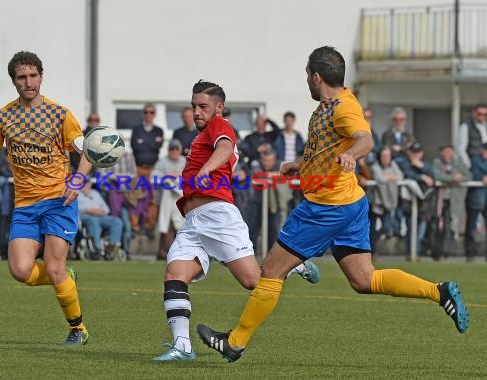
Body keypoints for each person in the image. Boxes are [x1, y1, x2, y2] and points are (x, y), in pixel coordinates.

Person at [197, 46, 469, 363]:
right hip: (350, 203)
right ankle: (440, 292)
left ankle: (235, 342)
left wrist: (353, 154)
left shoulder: (344, 107)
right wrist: (300, 164)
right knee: (364, 280)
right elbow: (328, 145)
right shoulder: (329, 106)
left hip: (326, 207)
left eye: (306, 76)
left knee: (271, 271)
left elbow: (364, 138)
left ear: (316, 77)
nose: (306, 82)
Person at [152, 80, 320, 362]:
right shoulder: (201, 135)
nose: (197, 112)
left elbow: (226, 149)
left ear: (219, 108)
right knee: (174, 275)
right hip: (194, 221)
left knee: (254, 280)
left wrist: (206, 168)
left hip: (218, 216)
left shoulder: (220, 125)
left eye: (203, 106)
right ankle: (182, 346)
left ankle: (293, 265)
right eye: (194, 106)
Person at [0, 51, 92, 345]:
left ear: (41, 77)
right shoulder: (3, 117)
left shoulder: (61, 115)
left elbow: (87, 153)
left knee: (53, 266)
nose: (28, 82)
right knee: (20, 271)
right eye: (22, 77)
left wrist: (78, 178)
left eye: (33, 76)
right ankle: (64, 276)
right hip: (26, 206)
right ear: (14, 81)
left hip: (59, 201)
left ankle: (77, 328)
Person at [397, 142, 436, 258]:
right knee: (411, 228)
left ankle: (417, 253)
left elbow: (433, 176)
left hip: (424, 203)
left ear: (421, 153)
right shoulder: (404, 162)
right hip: (409, 202)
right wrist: (422, 176)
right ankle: (411, 253)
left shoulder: (426, 164)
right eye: (413, 153)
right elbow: (407, 174)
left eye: (417, 153)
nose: (415, 156)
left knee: (421, 230)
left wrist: (422, 167)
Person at [431, 145, 470, 260]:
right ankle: (435, 252)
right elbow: (437, 176)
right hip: (438, 200)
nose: (448, 154)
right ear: (441, 153)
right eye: (445, 152)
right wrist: (453, 178)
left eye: (450, 152)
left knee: (448, 227)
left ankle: (444, 253)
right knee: (435, 225)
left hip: (452, 201)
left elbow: (468, 176)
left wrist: (459, 178)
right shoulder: (437, 162)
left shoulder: (458, 162)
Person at [153, 139, 186, 260]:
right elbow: (154, 177)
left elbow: (191, 175)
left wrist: (176, 174)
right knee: (165, 224)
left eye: (176, 149)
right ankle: (163, 252)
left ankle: (180, 252)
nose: (174, 151)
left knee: (180, 224)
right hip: (166, 195)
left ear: (180, 150)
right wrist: (167, 176)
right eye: (172, 149)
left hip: (181, 195)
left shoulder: (185, 161)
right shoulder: (163, 161)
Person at [79, 179, 124, 260]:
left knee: (117, 222)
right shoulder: (76, 193)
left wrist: (101, 211)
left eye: (87, 183)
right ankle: (97, 248)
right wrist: (88, 210)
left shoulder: (95, 193)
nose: (86, 185)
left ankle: (112, 247)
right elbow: (76, 208)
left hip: (101, 216)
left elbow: (106, 208)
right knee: (93, 222)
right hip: (86, 216)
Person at [464, 143, 487, 261]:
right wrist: (481, 177)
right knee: (471, 227)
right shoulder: (474, 160)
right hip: (475, 199)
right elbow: (470, 174)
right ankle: (470, 254)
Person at [457, 103, 487, 169]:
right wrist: (469, 165)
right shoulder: (465, 126)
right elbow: (461, 150)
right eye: (480, 114)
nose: (483, 117)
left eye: (485, 114)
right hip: (475, 162)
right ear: (474, 113)